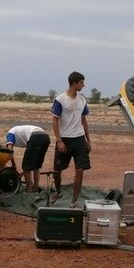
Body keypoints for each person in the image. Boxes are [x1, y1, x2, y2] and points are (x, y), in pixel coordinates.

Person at [50, 71, 91, 208]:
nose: (83, 85)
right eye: (81, 82)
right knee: (57, 169)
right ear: (74, 83)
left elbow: (84, 120)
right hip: (65, 140)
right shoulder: (60, 100)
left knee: (80, 170)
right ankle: (58, 192)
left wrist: (88, 140)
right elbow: (55, 121)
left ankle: (74, 201)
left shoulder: (82, 100)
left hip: (79, 140)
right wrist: (59, 140)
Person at [5, 125, 51, 192]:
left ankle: (28, 190)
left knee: (26, 167)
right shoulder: (18, 131)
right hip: (46, 137)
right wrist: (22, 173)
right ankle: (35, 188)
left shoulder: (10, 133)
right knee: (36, 167)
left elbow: (9, 151)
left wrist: (13, 164)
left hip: (35, 137)